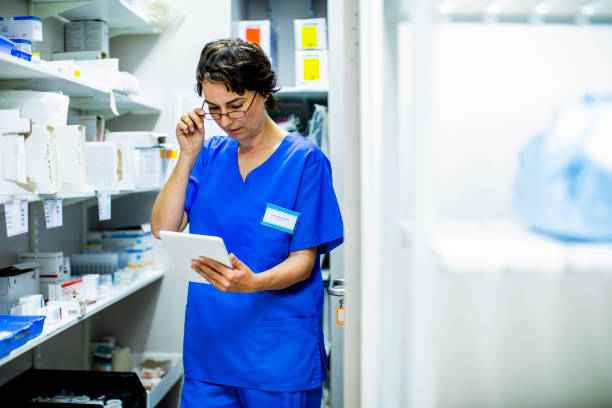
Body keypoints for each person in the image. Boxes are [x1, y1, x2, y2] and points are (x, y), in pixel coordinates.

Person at [150, 38, 344, 408]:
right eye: (214, 109)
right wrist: (186, 156)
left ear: (264, 92)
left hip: (277, 359)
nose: (225, 120)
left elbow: (304, 263)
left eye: (236, 106)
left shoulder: (305, 162)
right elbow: (162, 227)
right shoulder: (208, 155)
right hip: (210, 350)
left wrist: (254, 282)